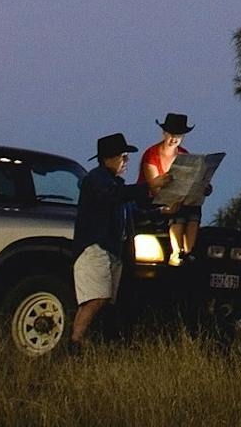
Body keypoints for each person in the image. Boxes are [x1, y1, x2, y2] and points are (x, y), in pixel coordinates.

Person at [69, 132, 142, 349]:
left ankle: (91, 343)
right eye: (123, 156)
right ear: (109, 158)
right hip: (94, 248)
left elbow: (129, 203)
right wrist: (151, 186)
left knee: (104, 300)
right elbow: (116, 196)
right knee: (96, 298)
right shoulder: (97, 180)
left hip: (110, 250)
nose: (126, 161)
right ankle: (75, 342)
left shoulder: (112, 183)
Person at [140, 111, 207, 264]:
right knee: (178, 208)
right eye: (171, 134)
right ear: (164, 133)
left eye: (178, 135)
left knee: (194, 208)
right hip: (153, 200)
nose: (174, 139)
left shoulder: (184, 155)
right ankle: (176, 252)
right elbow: (154, 187)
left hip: (180, 197)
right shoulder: (151, 155)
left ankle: (188, 250)